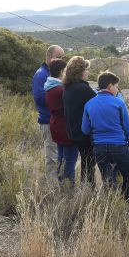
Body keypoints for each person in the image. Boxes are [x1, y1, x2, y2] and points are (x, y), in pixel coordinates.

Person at [82, 72, 129, 203]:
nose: (117, 89)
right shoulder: (119, 103)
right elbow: (128, 130)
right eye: (116, 86)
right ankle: (125, 203)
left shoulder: (89, 104)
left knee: (108, 180)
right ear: (109, 86)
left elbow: (85, 130)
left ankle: (111, 207)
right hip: (119, 147)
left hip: (99, 148)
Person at [32, 45, 65, 186]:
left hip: (58, 122)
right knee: (51, 156)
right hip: (47, 121)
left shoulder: (55, 73)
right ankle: (53, 189)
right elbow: (39, 98)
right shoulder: (41, 75)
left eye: (63, 57)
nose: (61, 60)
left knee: (59, 156)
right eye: (58, 57)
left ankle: (61, 184)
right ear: (49, 56)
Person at [62, 56, 98, 186]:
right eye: (86, 70)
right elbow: (98, 102)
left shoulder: (68, 87)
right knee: (89, 162)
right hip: (83, 132)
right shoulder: (82, 88)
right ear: (80, 71)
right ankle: (88, 188)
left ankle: (85, 188)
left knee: (85, 160)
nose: (87, 72)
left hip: (73, 130)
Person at [44, 58, 79, 188]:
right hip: (65, 127)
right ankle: (69, 188)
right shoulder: (60, 89)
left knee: (61, 158)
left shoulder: (49, 87)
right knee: (70, 159)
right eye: (66, 70)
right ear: (61, 71)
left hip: (56, 126)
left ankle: (61, 184)